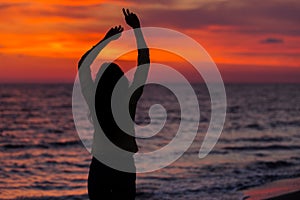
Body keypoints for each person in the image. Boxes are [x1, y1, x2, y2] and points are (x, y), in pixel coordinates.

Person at [78, 8, 150, 200]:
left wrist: (106, 40)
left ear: (100, 82)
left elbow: (83, 65)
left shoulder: (94, 99)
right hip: (124, 166)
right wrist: (137, 30)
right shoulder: (129, 99)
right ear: (122, 81)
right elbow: (144, 63)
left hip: (100, 166)